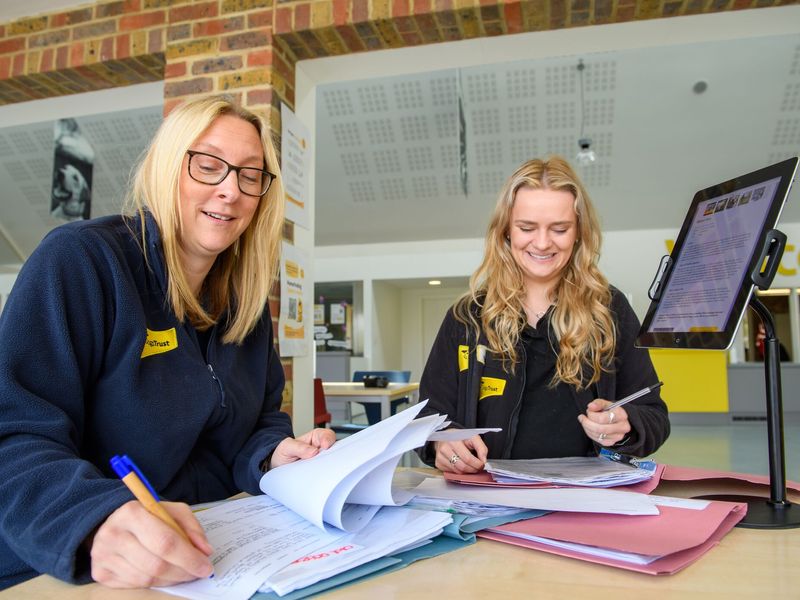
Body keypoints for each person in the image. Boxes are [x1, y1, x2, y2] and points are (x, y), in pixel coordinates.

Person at [0, 95, 336, 590]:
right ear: (166, 167)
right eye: (208, 166)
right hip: (66, 565)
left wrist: (272, 454)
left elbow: (256, 422)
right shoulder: (82, 260)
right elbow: (15, 436)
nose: (230, 191)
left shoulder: (246, 302)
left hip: (215, 551)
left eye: (250, 175)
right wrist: (94, 517)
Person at [417, 157, 669, 473]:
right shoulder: (467, 317)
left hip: (585, 502)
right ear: (506, 231)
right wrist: (444, 440)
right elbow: (427, 418)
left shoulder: (610, 309)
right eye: (527, 227)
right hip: (490, 499)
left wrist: (627, 424)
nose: (542, 242)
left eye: (559, 229)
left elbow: (654, 416)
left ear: (579, 233)